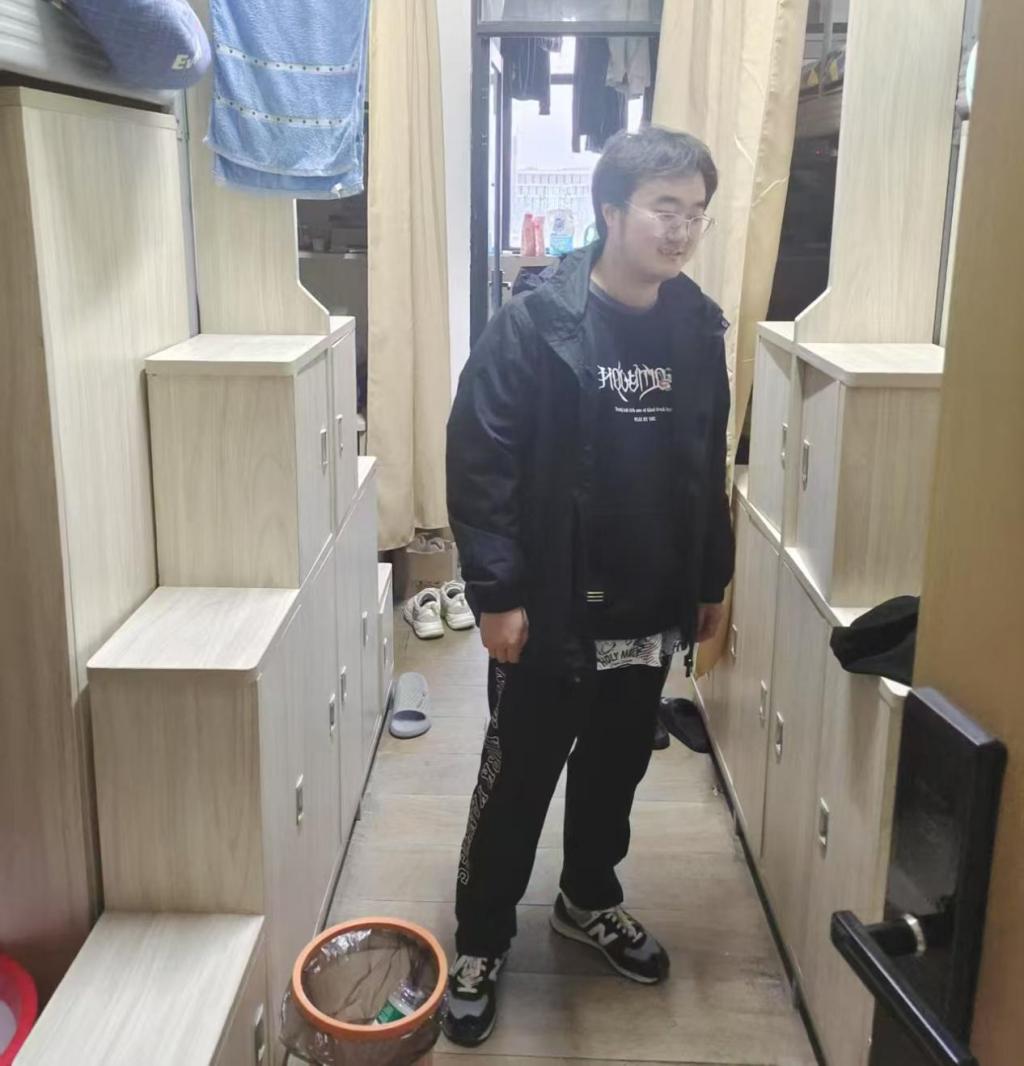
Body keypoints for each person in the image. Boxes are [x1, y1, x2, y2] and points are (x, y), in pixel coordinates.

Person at [442, 126, 735, 1047]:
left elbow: (707, 463)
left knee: (615, 772)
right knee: (518, 780)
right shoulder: (537, 323)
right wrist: (496, 594)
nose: (681, 229)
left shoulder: (697, 326)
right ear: (611, 211)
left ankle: (586, 900)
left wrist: (711, 578)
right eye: (663, 208)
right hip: (554, 608)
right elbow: (480, 461)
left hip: (649, 605)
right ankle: (482, 939)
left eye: (695, 212)